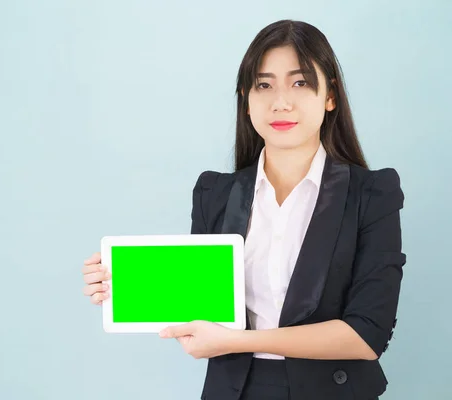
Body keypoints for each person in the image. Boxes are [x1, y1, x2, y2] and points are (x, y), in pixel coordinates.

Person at [81, 19, 405, 400]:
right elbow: (199, 308)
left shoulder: (373, 194)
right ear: (246, 100)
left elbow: (367, 335)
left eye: (300, 82)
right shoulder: (214, 193)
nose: (280, 101)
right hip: (234, 391)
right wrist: (122, 284)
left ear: (330, 96)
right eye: (263, 85)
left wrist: (240, 339)